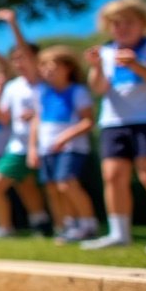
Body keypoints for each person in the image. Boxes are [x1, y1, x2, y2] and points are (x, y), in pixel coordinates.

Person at [82, 0, 146, 252]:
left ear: (142, 23)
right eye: (115, 23)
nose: (121, 27)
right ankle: (119, 233)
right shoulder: (106, 52)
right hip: (114, 122)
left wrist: (136, 65)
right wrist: (97, 68)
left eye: (128, 22)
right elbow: (98, 88)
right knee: (113, 176)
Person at [0, 12, 52, 238]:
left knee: (51, 188)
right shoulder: (13, 87)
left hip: (47, 144)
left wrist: (13, 24)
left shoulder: (41, 82)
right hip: (18, 147)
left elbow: (26, 51)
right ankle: (9, 227)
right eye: (15, 58)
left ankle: (45, 224)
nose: (19, 61)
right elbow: (4, 119)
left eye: (23, 57)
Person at [28, 46, 98, 244]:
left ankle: (88, 224)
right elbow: (37, 121)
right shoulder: (42, 93)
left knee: (66, 183)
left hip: (71, 147)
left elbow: (88, 121)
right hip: (46, 149)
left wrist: (65, 138)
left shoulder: (77, 91)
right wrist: (33, 148)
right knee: (53, 188)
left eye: (53, 65)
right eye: (44, 66)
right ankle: (69, 225)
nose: (47, 70)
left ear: (67, 68)